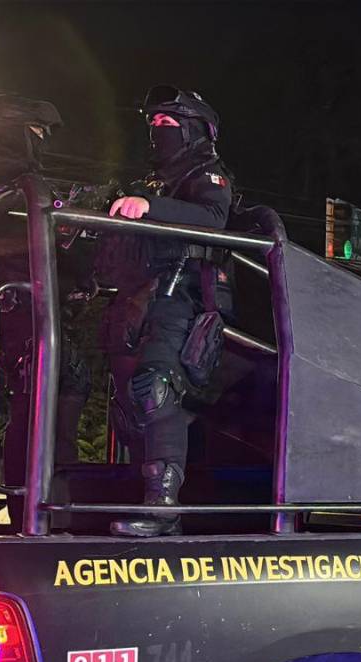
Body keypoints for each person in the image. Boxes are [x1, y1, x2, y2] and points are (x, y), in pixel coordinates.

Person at [0, 94, 90, 529]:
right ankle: (40, 506)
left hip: (15, 304)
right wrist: (70, 244)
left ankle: (40, 504)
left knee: (45, 395)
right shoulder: (5, 176)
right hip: (19, 305)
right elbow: (22, 240)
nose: (42, 138)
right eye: (36, 130)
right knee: (42, 397)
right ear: (13, 129)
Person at [104, 86, 233, 537]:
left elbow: (214, 218)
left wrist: (150, 207)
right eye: (153, 123)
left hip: (184, 295)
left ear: (194, 129)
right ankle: (140, 493)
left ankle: (162, 508)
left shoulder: (208, 175)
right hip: (141, 298)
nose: (157, 131)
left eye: (167, 123)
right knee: (127, 397)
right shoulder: (153, 181)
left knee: (156, 386)